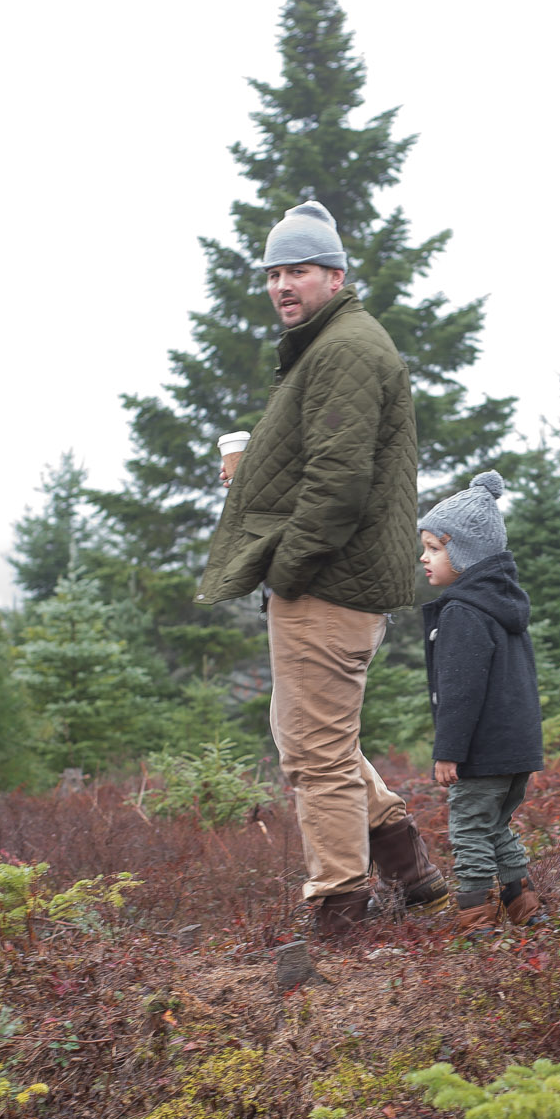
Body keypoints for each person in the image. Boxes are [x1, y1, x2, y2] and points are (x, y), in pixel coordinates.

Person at [195, 200, 450, 939]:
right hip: (330, 582)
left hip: (327, 584)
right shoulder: (330, 345)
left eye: (298, 270)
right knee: (311, 739)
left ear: (334, 274)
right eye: (274, 273)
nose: (282, 285)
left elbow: (337, 485)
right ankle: (407, 867)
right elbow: (321, 464)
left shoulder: (343, 349)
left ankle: (341, 903)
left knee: (315, 750)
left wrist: (292, 565)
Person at [417, 471, 544, 933]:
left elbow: (460, 692)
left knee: (469, 829)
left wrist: (448, 751)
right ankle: (523, 904)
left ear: (465, 552)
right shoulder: (502, 605)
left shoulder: (463, 613)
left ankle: (476, 917)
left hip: (483, 751)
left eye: (434, 548)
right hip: (515, 750)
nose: (424, 557)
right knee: (496, 826)